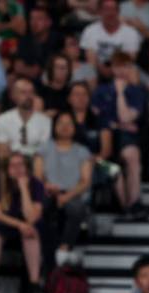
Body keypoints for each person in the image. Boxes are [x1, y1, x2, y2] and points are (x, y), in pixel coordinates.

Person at [92, 52, 148, 219]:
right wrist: (118, 124)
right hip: (104, 137)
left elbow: (126, 116)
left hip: (126, 138)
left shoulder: (136, 91)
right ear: (112, 68)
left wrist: (121, 94)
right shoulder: (101, 90)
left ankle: (134, 202)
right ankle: (125, 206)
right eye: (118, 66)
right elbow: (96, 115)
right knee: (113, 167)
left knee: (132, 155)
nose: (122, 70)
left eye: (126, 66)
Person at [33, 112, 93, 268]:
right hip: (48, 191)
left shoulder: (82, 151)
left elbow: (85, 181)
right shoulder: (44, 148)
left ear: (75, 128)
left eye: (69, 123)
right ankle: (43, 249)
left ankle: (64, 248)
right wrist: (48, 187)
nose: (65, 127)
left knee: (77, 207)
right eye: (61, 123)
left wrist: (67, 196)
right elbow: (37, 176)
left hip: (72, 193)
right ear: (54, 127)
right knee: (42, 207)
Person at [0, 153, 44, 293]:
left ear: (27, 167)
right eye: (12, 165)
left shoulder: (36, 184)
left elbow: (32, 216)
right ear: (6, 169)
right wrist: (20, 225)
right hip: (5, 223)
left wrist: (23, 188)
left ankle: (34, 285)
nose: (17, 169)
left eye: (20, 164)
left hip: (28, 224)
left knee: (31, 235)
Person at [80, 0, 141, 80]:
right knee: (88, 69)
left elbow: (130, 58)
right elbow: (90, 57)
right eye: (106, 9)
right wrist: (102, 69)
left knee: (133, 70)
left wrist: (113, 70)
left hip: (121, 70)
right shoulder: (90, 30)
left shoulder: (131, 33)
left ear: (118, 11)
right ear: (100, 11)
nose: (110, 13)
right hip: (97, 70)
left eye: (113, 9)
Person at [0, 78, 51, 160]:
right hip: (12, 166)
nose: (28, 96)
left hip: (37, 166)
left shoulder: (45, 121)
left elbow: (44, 153)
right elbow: (2, 154)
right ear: (13, 95)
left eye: (31, 92)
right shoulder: (3, 120)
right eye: (23, 92)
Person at [14, 7, 64, 82]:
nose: (34, 22)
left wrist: (33, 70)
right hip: (29, 81)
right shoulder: (25, 40)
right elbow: (18, 67)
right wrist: (31, 71)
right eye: (32, 19)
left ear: (49, 22)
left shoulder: (58, 39)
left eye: (39, 19)